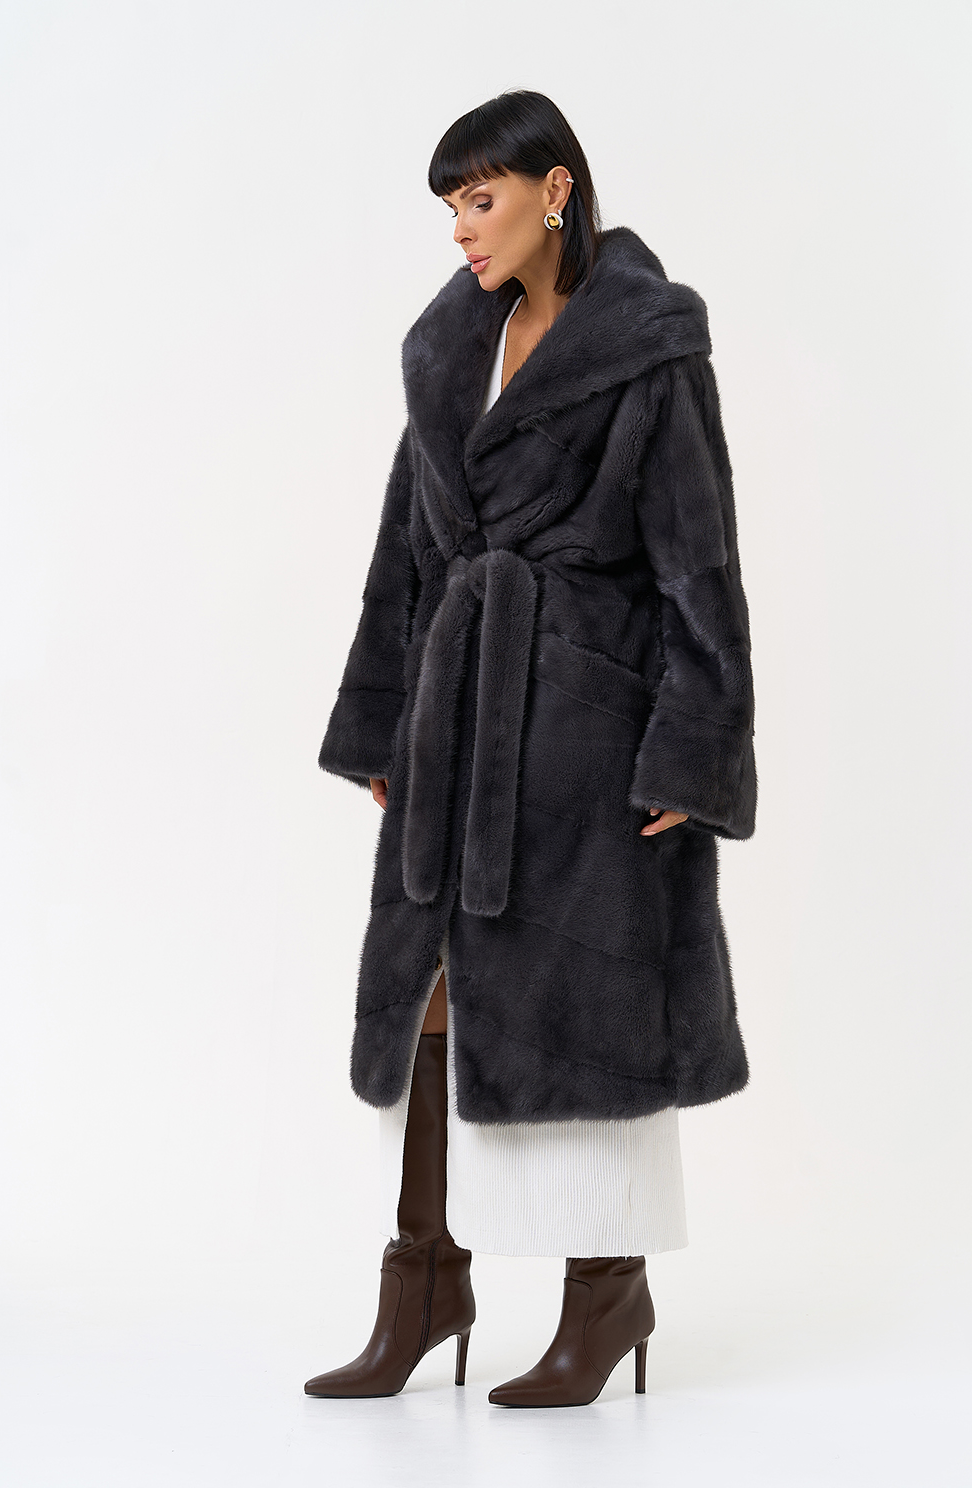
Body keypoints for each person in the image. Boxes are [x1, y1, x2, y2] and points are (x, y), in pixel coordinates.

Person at [306, 89, 757, 1408]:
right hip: (455, 720)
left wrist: (692, 748)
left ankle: (605, 1296)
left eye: (480, 199)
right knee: (432, 991)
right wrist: (382, 719)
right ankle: (422, 1285)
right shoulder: (451, 350)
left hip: (587, 734)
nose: (460, 229)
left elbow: (700, 564)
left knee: (587, 1012)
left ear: (554, 191)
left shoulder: (649, 348)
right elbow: (404, 549)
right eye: (449, 206)